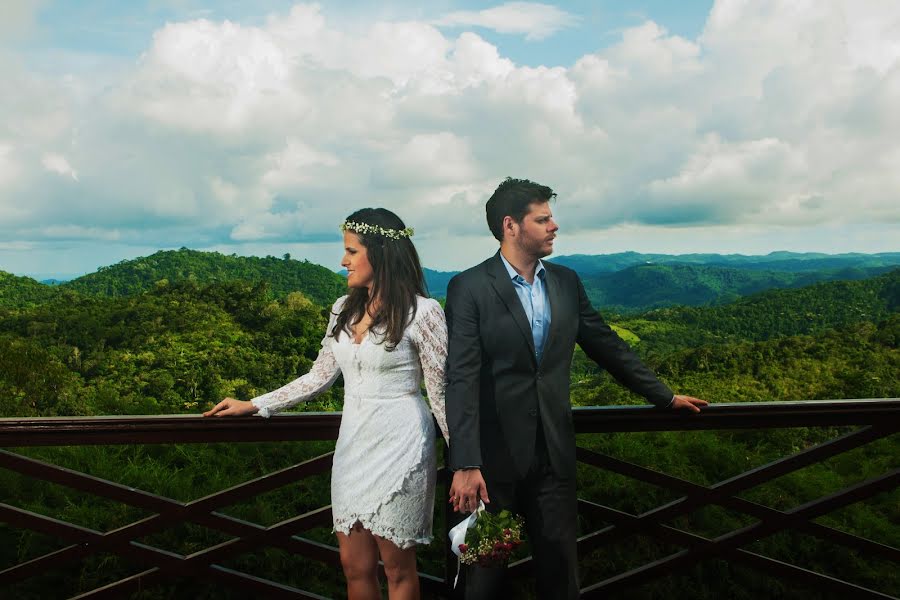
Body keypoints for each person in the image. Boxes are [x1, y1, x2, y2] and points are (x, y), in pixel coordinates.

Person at [445, 178, 708, 599]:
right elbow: (459, 377)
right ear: (510, 226)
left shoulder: (566, 281)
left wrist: (664, 395)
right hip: (490, 466)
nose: (554, 226)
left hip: (554, 455)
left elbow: (606, 345)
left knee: (561, 574)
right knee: (482, 582)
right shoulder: (469, 287)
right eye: (543, 218)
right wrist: (465, 463)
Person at [205, 208, 449, 600]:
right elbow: (318, 377)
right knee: (355, 568)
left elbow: (440, 394)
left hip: (402, 444)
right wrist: (256, 404)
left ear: (382, 253)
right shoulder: (343, 308)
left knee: (398, 570)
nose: (343, 260)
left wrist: (470, 463)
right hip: (353, 445)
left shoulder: (422, 313)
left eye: (352, 251)